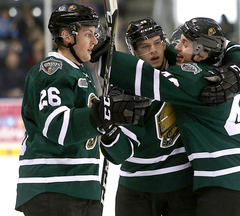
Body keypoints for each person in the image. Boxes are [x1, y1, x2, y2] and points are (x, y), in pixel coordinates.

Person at [94, 17, 240, 216]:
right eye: (144, 46)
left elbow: (151, 80)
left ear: (201, 52)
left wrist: (104, 57)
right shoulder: (222, 71)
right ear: (134, 52)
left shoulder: (187, 74)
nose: (175, 47)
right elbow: (227, 45)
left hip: (222, 180)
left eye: (158, 43)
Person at [14, 3, 150, 216]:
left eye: (95, 34)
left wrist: (110, 125)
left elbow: (117, 152)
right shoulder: (52, 70)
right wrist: (103, 113)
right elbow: (57, 127)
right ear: (67, 36)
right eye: (88, 34)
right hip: (52, 186)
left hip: (84, 188)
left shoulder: (82, 74)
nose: (95, 41)